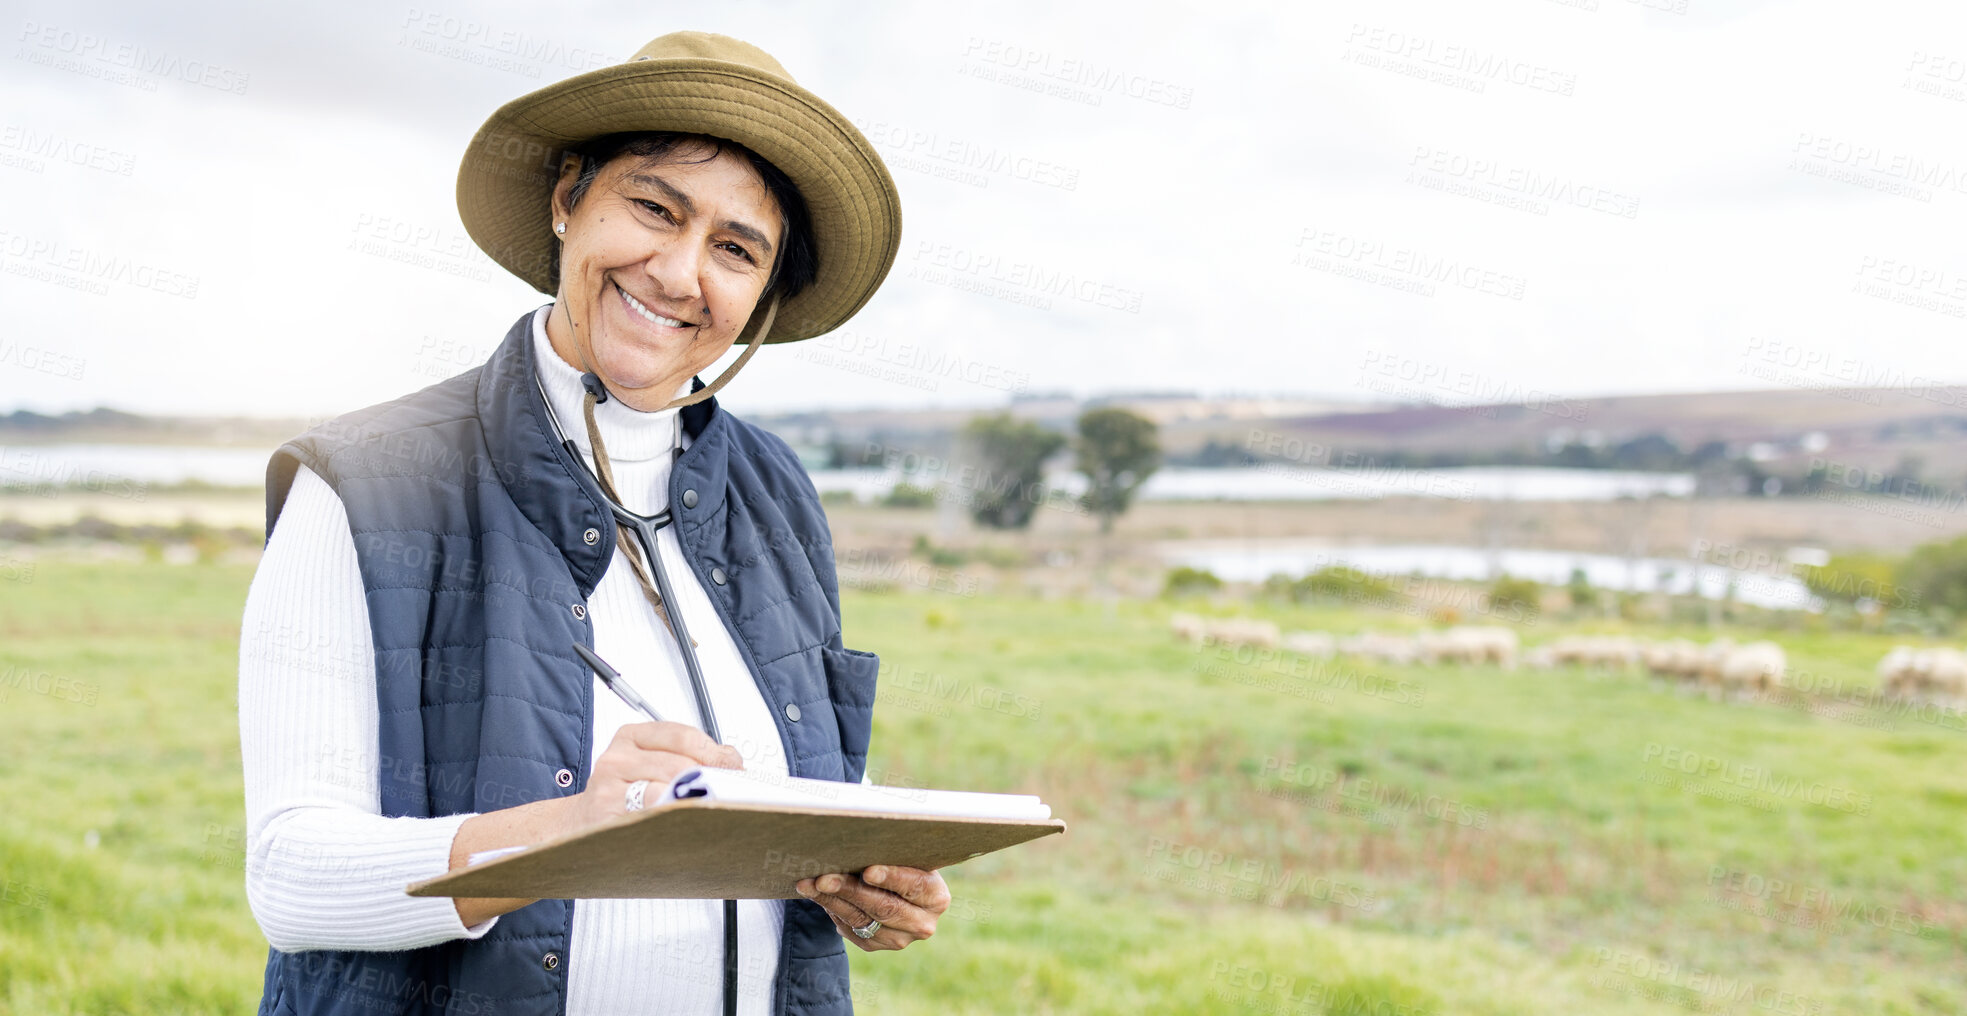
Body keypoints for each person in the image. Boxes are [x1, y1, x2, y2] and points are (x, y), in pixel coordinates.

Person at [238, 31, 945, 1016]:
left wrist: (856, 886)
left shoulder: (780, 493)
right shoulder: (364, 481)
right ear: (568, 197)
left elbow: (802, 807)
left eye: (735, 250)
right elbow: (290, 877)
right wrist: (572, 829)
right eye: (654, 208)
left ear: (760, 301)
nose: (679, 270)